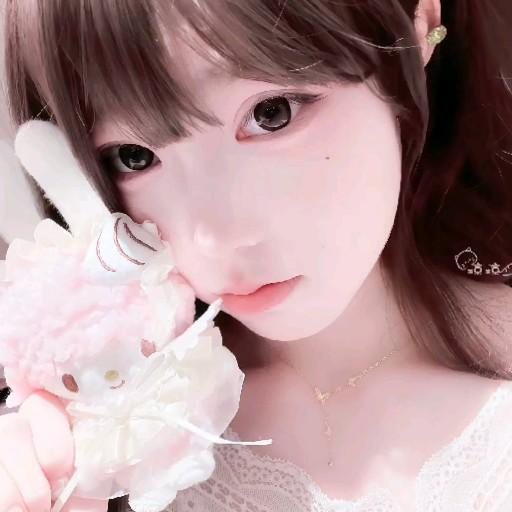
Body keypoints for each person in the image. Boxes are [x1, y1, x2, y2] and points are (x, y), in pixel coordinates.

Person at [2, 0, 512, 510]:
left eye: (273, 113)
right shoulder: (114, 452)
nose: (215, 240)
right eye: (133, 157)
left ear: (418, 23)